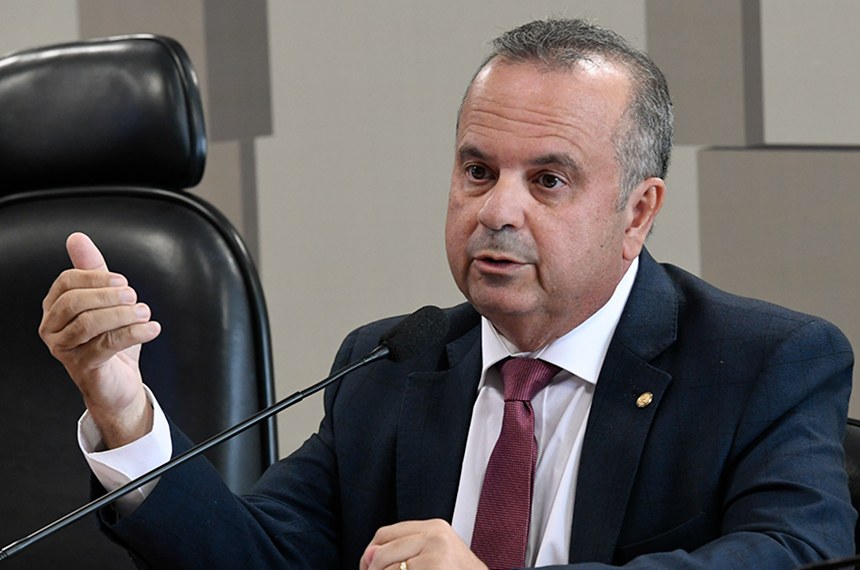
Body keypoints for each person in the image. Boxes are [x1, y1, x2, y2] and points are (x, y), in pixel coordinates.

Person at [39, 18, 854, 569]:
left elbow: (799, 553)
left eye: (548, 180)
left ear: (637, 212)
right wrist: (123, 410)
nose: (498, 210)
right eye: (478, 171)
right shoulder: (390, 364)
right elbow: (258, 557)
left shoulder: (763, 363)